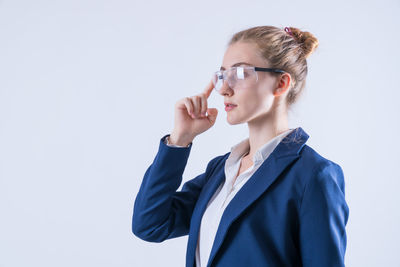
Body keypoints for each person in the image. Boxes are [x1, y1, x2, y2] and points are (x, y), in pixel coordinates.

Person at [132, 25, 349, 267]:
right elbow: (149, 224)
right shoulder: (222, 170)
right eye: (222, 76)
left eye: (240, 74)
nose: (224, 89)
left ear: (281, 84)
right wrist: (179, 141)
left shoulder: (313, 176)